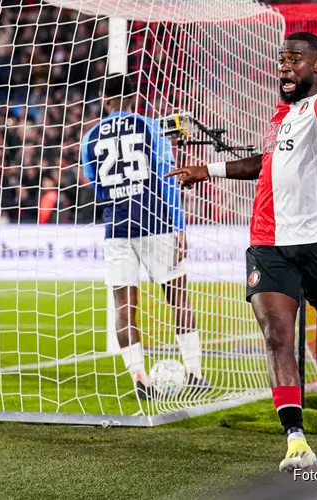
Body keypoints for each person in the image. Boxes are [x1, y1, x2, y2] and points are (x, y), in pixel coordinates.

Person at [166, 32, 317, 473]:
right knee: (277, 337)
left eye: (296, 59)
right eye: (282, 59)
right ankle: (296, 441)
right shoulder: (281, 114)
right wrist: (208, 170)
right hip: (267, 242)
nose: (285, 66)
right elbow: (265, 162)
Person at [81, 73, 210, 400]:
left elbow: (95, 185)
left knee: (124, 306)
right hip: (157, 223)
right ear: (133, 97)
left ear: (104, 98)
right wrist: (180, 226)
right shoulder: (150, 126)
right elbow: (169, 179)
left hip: (117, 230)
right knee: (178, 297)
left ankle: (140, 379)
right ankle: (194, 373)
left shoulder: (91, 137)